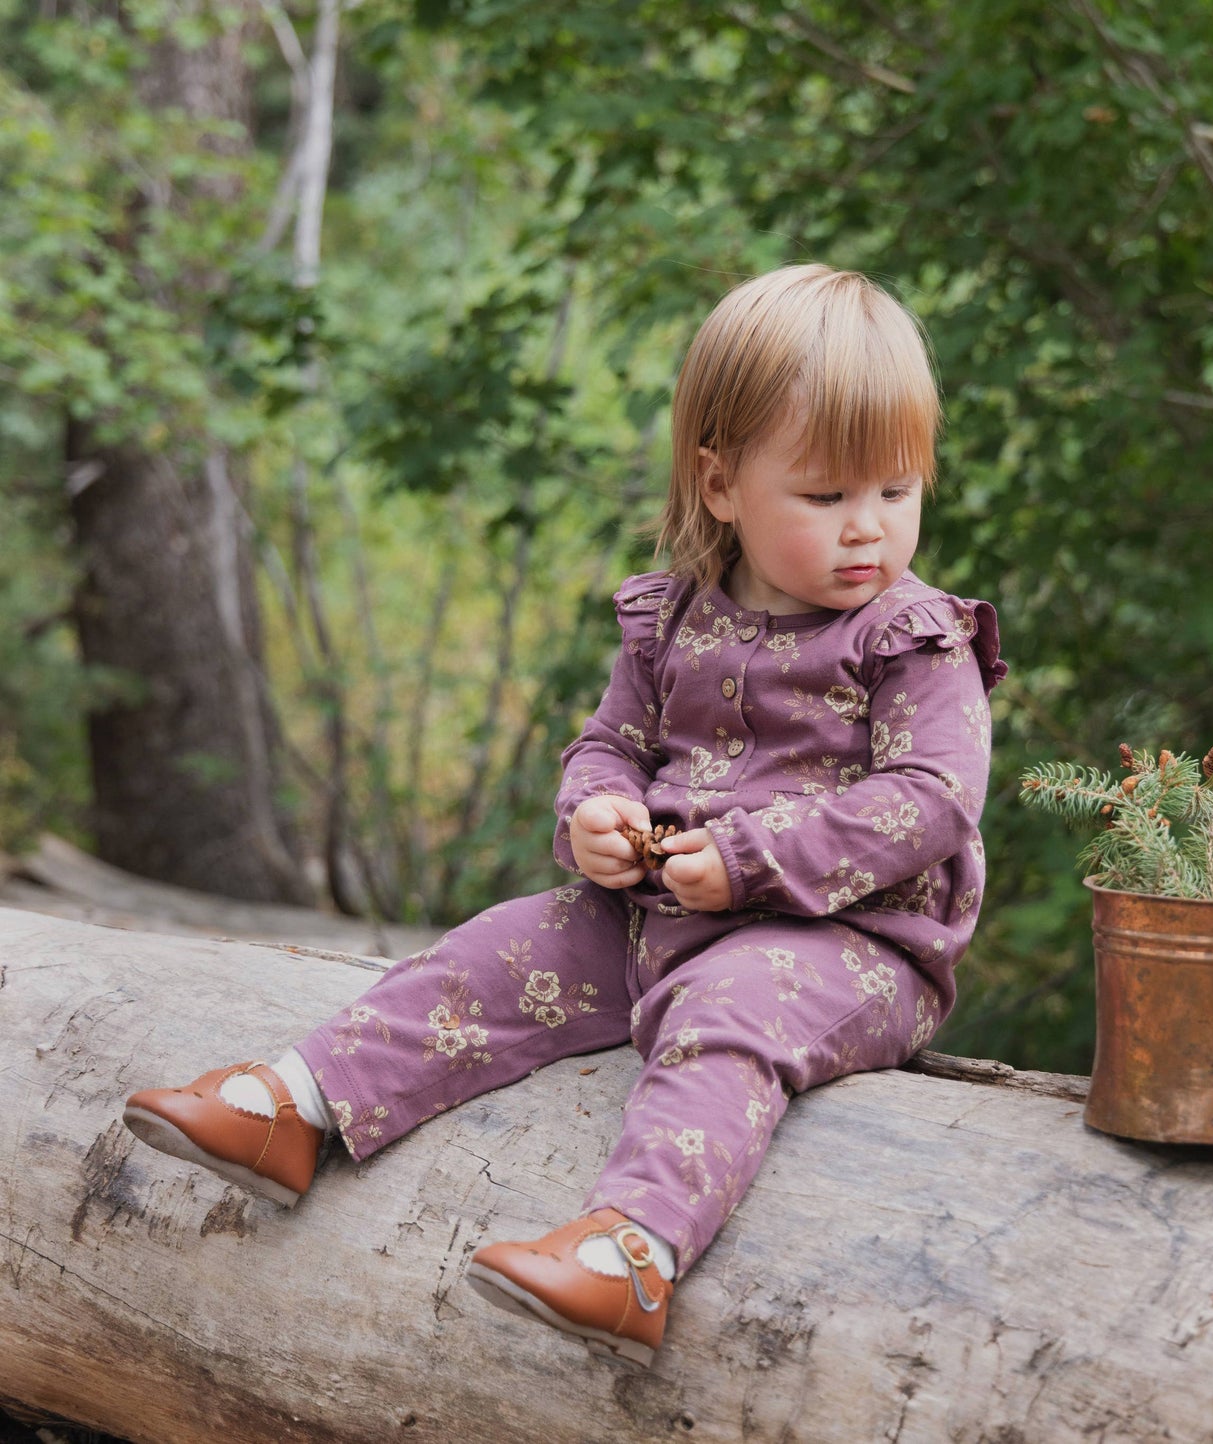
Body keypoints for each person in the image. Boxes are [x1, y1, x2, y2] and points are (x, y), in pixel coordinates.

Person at [121, 263, 1006, 1369]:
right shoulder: (671, 615)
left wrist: (743, 859)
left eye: (895, 489)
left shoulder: (908, 638)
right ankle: (294, 1106)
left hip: (844, 947)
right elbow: (610, 743)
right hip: (652, 908)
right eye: (825, 497)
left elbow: (928, 800)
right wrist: (597, 810)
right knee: (492, 950)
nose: (866, 529)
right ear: (721, 483)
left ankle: (632, 1251)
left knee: (725, 1012)